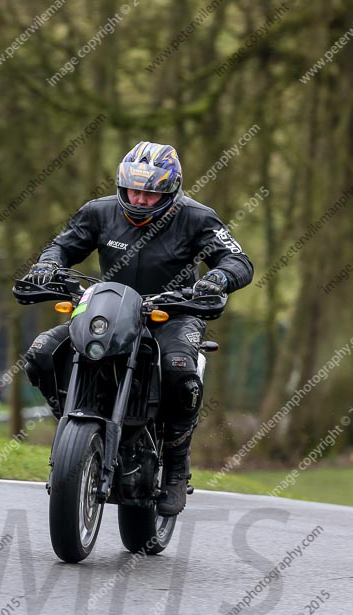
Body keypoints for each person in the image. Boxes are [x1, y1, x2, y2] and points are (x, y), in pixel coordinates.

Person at [21, 141, 253, 515]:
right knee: (42, 352)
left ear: (170, 191)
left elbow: (237, 259)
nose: (140, 199)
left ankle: (176, 466)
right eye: (133, 191)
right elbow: (61, 247)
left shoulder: (197, 218)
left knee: (180, 372)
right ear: (122, 185)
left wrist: (218, 279)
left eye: (150, 193)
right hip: (109, 309)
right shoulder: (98, 212)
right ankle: (70, 425)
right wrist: (47, 265)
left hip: (175, 313)